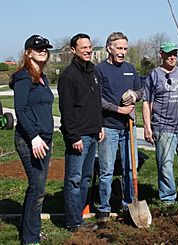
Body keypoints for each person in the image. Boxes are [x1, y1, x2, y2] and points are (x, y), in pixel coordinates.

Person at [142, 42, 178, 205]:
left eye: (174, 53)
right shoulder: (154, 75)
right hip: (163, 128)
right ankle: (168, 198)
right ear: (161, 54)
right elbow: (147, 102)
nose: (172, 56)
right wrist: (148, 127)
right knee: (165, 166)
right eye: (168, 54)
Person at [9, 35, 54, 245]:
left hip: (44, 139)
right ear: (28, 53)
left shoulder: (42, 77)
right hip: (29, 140)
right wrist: (34, 137)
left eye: (45, 48)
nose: (43, 51)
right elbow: (21, 109)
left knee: (38, 189)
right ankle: (30, 238)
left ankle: (32, 232)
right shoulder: (23, 77)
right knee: (36, 188)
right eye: (38, 49)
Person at [58, 33, 104, 231]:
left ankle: (79, 216)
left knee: (85, 178)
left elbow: (95, 103)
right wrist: (74, 136)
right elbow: (66, 110)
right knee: (74, 180)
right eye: (83, 47)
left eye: (89, 46)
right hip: (79, 137)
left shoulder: (93, 71)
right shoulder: (69, 76)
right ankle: (73, 222)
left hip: (93, 133)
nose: (88, 50)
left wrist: (99, 126)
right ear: (73, 50)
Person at [95, 32, 143, 221]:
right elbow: (96, 99)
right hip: (109, 126)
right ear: (109, 48)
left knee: (131, 168)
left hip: (129, 127)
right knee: (106, 170)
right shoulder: (100, 70)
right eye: (119, 48)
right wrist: (117, 109)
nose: (122, 52)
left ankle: (129, 203)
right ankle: (104, 208)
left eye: (125, 48)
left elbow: (141, 90)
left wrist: (134, 95)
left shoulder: (130, 68)